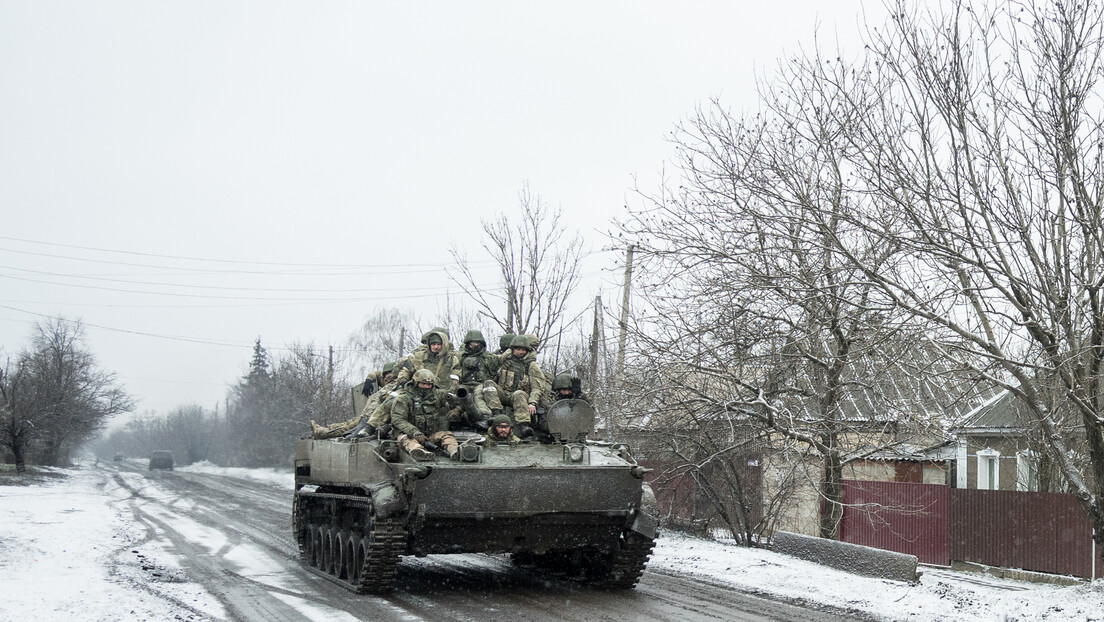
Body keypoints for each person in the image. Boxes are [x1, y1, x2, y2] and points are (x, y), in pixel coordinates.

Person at [391, 369, 460, 460]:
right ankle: (419, 452)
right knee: (406, 439)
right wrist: (414, 431)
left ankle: (455, 451)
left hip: (431, 435)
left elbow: (460, 401)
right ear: (415, 383)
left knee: (447, 435)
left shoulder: (438, 395)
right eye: (423, 384)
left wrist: (457, 410)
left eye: (429, 384)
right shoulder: (403, 399)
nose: (427, 387)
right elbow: (398, 419)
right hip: (410, 434)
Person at [495, 334, 547, 438]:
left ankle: (524, 425)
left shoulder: (531, 365)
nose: (521, 352)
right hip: (503, 395)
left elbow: (537, 387)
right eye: (518, 349)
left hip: (521, 398)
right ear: (512, 349)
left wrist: (532, 402)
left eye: (524, 350)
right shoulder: (504, 361)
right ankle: (495, 414)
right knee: (488, 385)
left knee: (518, 394)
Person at [457, 329, 505, 423]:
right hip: (464, 384)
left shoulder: (487, 357)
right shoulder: (460, 357)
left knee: (478, 395)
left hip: (480, 384)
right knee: (459, 395)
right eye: (472, 342)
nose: (475, 345)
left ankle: (485, 415)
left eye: (477, 342)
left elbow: (500, 360)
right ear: (468, 343)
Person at [393, 329, 461, 391]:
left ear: (444, 345)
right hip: (418, 391)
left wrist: (451, 390)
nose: (436, 347)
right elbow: (406, 370)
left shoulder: (451, 359)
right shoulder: (419, 356)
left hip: (441, 392)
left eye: (439, 344)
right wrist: (403, 381)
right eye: (433, 344)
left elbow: (455, 377)